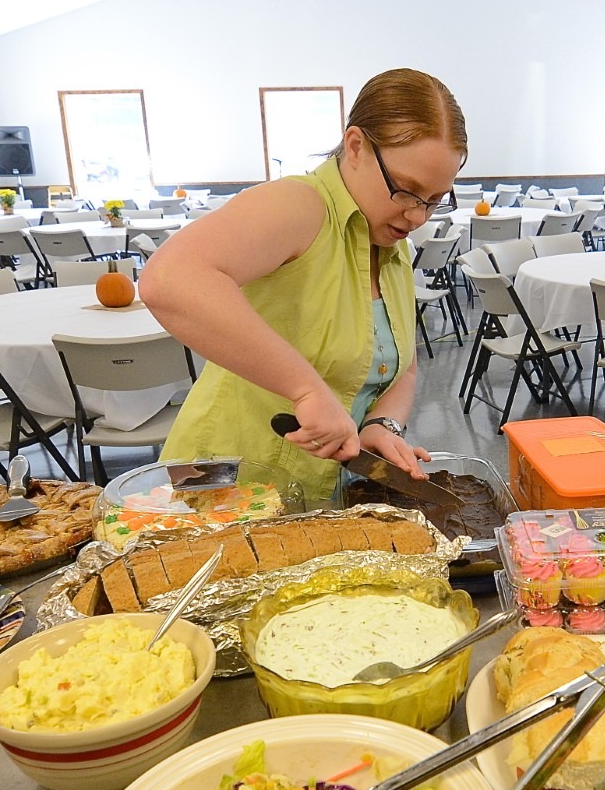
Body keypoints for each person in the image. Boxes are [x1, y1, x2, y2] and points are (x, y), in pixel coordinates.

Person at [139, 68, 466, 501]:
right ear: (356, 146)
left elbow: (402, 366)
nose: (418, 216)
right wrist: (306, 389)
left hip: (318, 496)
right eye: (406, 190)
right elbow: (168, 279)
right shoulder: (300, 205)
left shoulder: (391, 242)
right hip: (227, 489)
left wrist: (381, 425)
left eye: (435, 200)